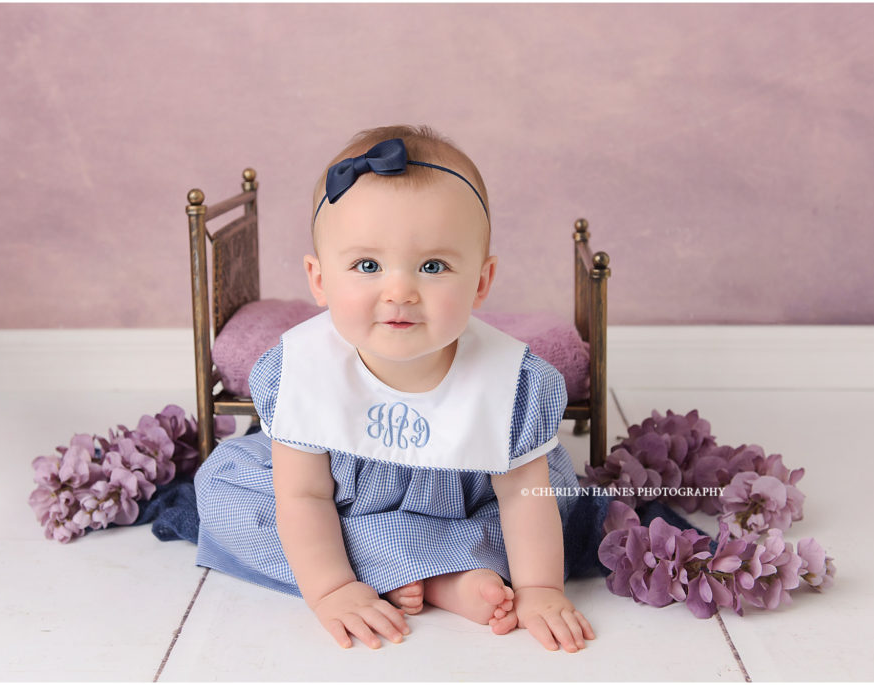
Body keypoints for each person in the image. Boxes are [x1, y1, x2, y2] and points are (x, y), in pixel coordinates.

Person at [195, 125, 596, 652]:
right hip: (338, 496)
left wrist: (540, 589)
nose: (400, 291)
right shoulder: (300, 369)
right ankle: (438, 574)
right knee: (220, 487)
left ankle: (404, 568)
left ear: (480, 280)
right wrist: (332, 590)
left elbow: (523, 499)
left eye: (433, 266)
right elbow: (304, 495)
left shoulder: (514, 382)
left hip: (466, 495)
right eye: (367, 265)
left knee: (554, 498)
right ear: (319, 280)